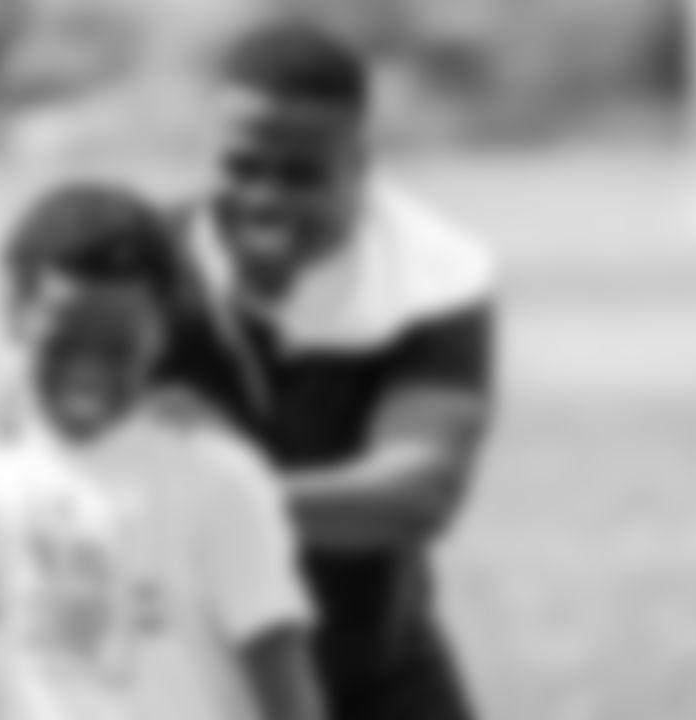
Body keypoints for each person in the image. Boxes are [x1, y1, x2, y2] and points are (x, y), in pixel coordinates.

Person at [0, 183, 325, 720]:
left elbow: (286, 686)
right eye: (63, 342)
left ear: (161, 332)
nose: (88, 370)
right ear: (16, 313)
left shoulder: (219, 479)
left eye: (118, 349)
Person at [160, 20, 499, 720]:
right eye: (241, 167)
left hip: (373, 667)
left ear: (359, 163)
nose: (264, 198)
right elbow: (12, 437)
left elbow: (418, 492)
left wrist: (216, 492)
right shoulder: (141, 265)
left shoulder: (432, 273)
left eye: (300, 174)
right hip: (184, 678)